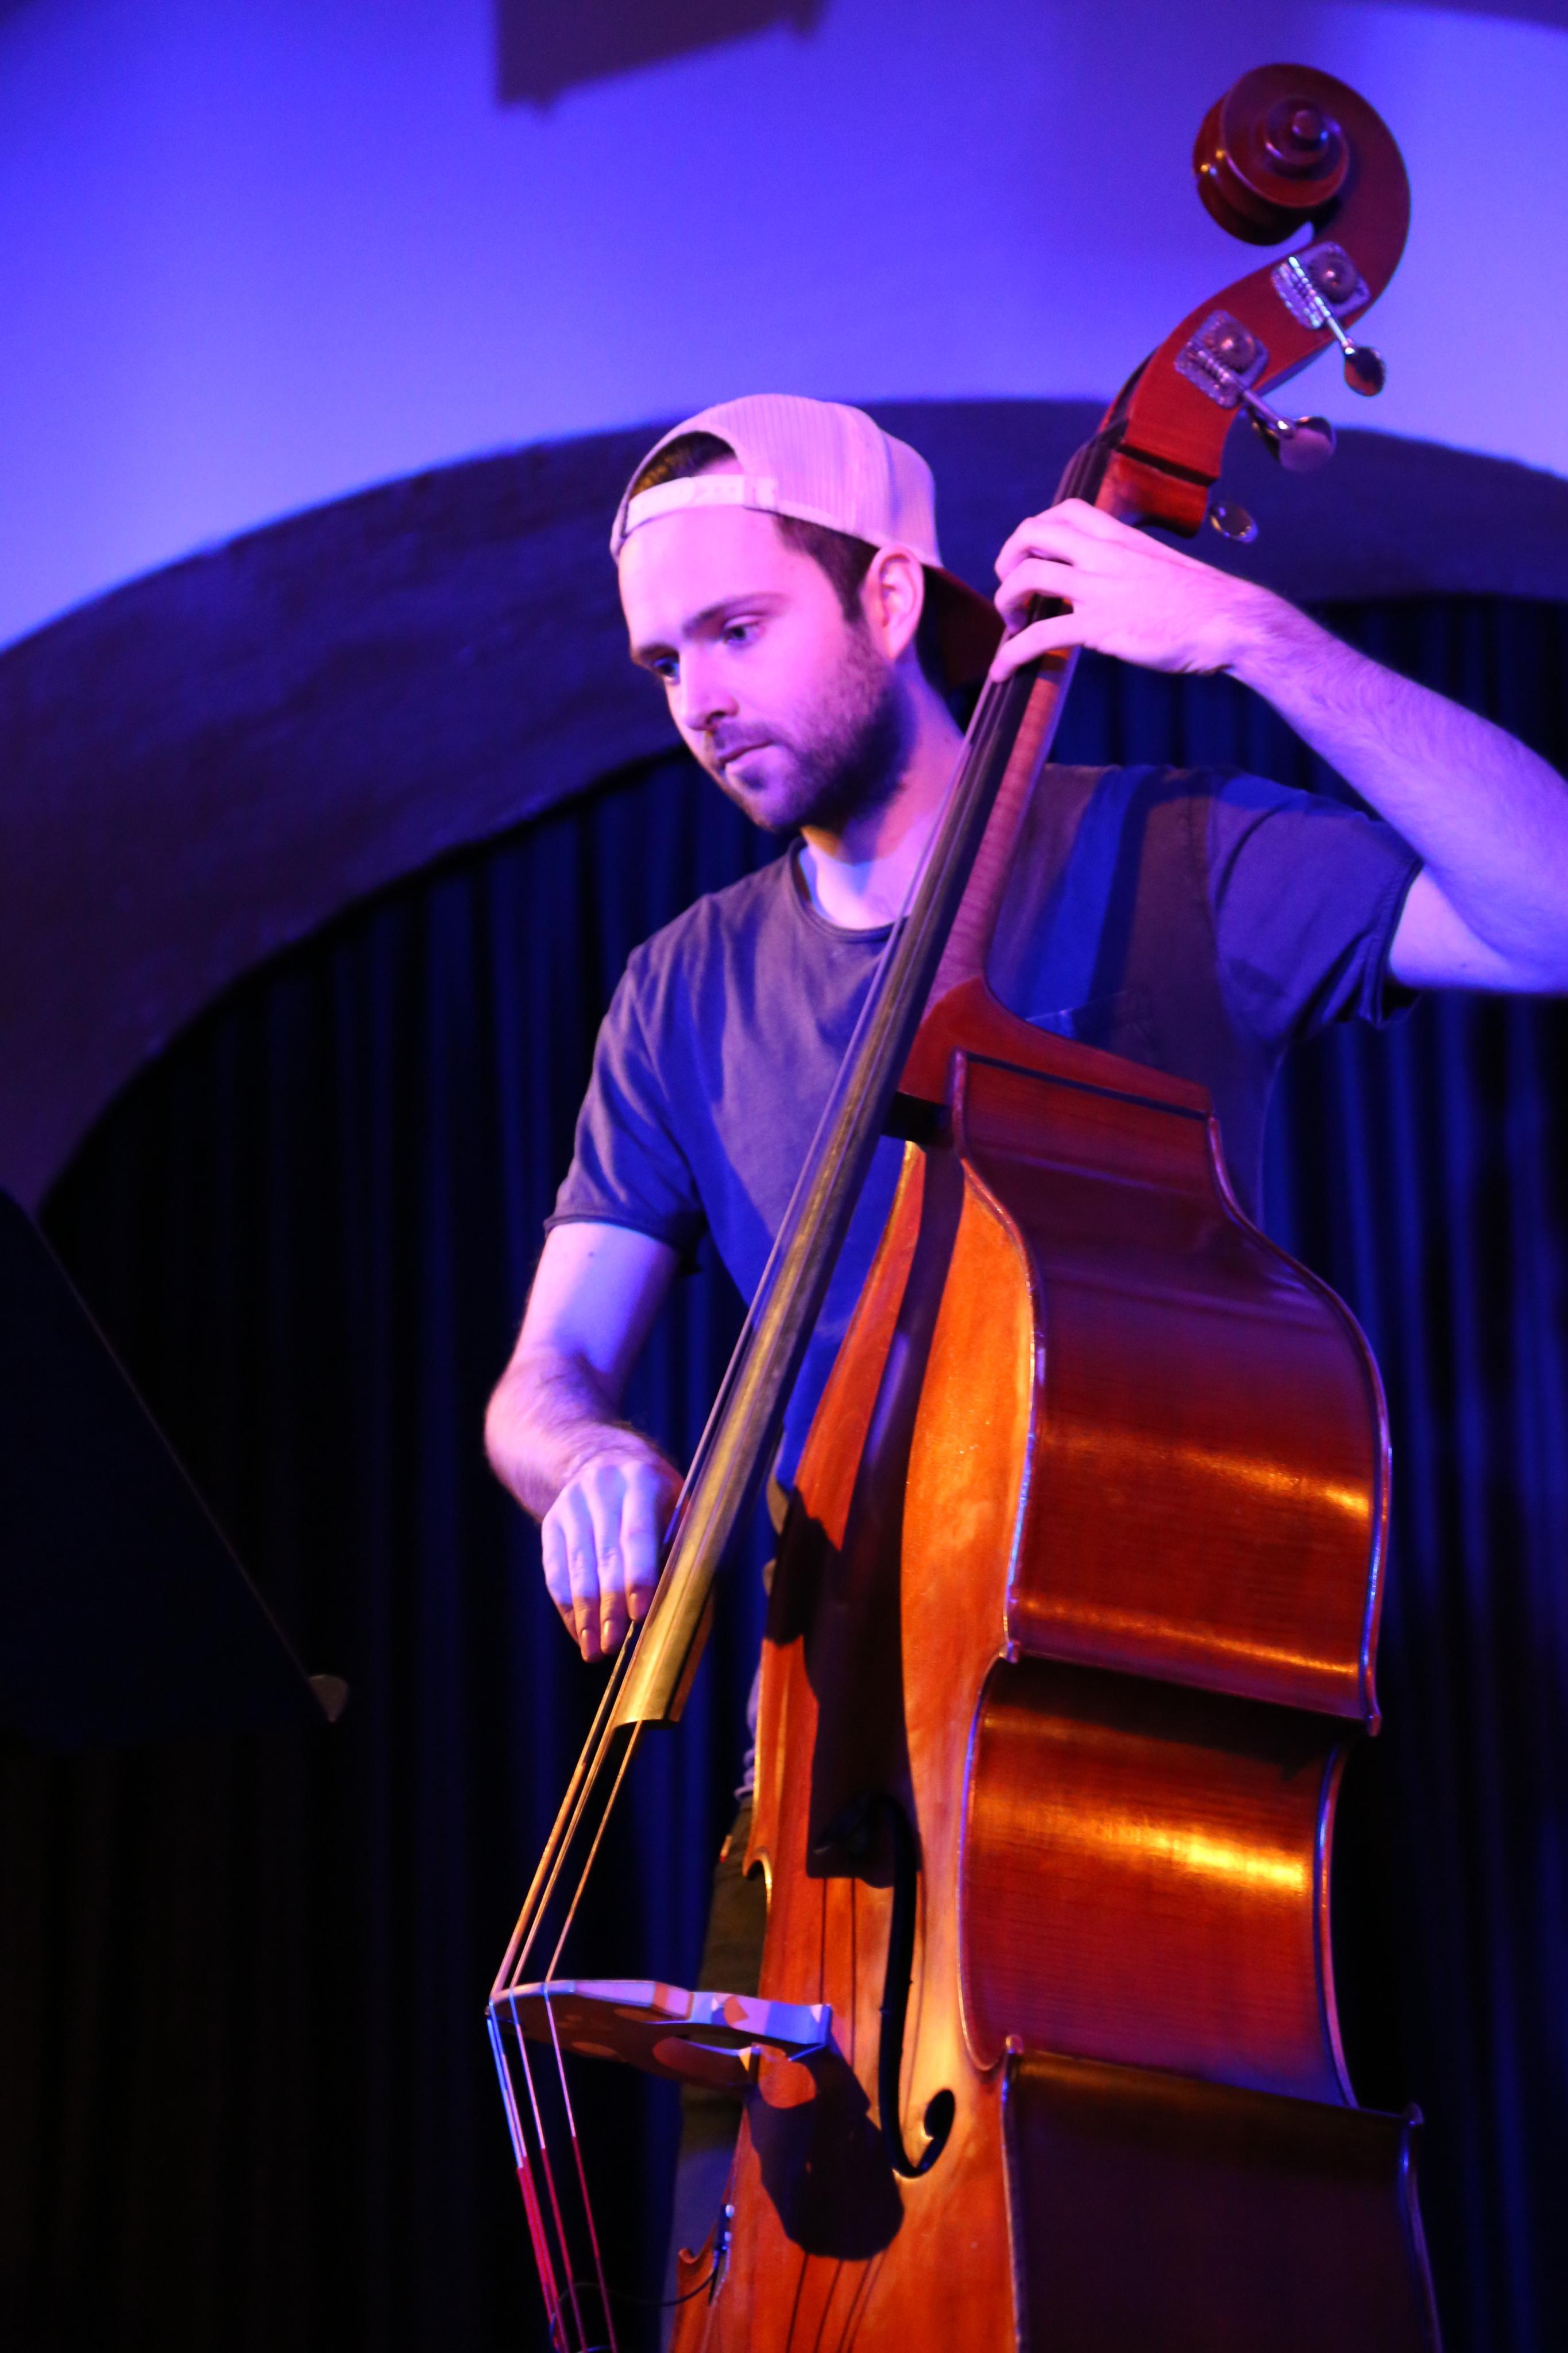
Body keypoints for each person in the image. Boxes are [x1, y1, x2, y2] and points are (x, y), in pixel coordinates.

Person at [481, 391, 1567, 2277]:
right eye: (663, 662)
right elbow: (540, 1380)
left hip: (1119, 1784)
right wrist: (585, 1457)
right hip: (812, 1786)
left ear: (892, 596)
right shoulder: (678, 991)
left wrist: (1259, 641)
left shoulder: (1173, 856)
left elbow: (1550, 915)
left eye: (736, 631)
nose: (697, 700)